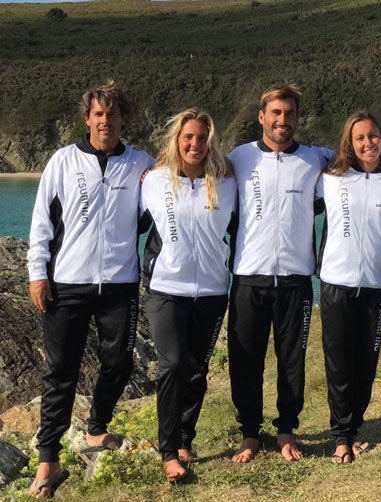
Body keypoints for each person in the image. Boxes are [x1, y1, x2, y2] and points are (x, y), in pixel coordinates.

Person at [26, 81, 155, 497]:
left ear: (123, 120)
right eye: (98, 114)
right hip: (67, 284)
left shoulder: (140, 164)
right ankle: (48, 461)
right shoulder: (63, 161)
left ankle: (97, 428)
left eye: (112, 115)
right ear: (87, 119)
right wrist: (37, 273)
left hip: (119, 284)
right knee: (60, 372)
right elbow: (42, 223)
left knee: (118, 361)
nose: (105, 121)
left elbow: (168, 196)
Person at [227, 84, 333, 463]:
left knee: (292, 359)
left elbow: (359, 158)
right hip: (248, 277)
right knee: (245, 360)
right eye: (275, 113)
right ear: (262, 117)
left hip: (295, 279)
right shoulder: (238, 158)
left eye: (289, 113)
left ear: (297, 118)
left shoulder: (315, 159)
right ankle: (250, 433)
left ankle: (287, 429)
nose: (282, 120)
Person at [139, 108, 237, 481]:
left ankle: (184, 439)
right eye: (188, 138)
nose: (195, 144)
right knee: (173, 365)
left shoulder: (228, 183)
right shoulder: (154, 181)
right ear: (177, 141)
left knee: (196, 370)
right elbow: (126, 218)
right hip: (166, 289)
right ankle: (168, 451)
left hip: (212, 290)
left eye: (202, 138)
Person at [316, 111, 381, 464]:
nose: (368, 143)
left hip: (376, 286)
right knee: (338, 364)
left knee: (365, 365)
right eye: (360, 138)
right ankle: (339, 436)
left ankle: (354, 430)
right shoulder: (331, 177)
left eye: (373, 136)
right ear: (349, 144)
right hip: (336, 283)